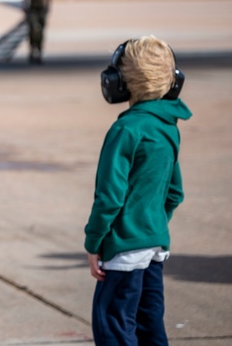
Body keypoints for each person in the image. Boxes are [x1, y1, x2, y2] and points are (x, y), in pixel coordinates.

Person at [85, 35, 191, 346]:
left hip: (122, 250)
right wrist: (151, 225)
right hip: (155, 246)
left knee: (113, 328)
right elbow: (174, 193)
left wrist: (94, 243)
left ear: (122, 80)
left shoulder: (125, 130)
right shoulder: (168, 127)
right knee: (149, 326)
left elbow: (109, 198)